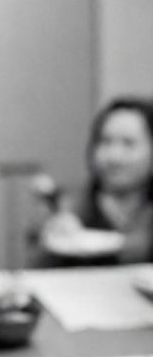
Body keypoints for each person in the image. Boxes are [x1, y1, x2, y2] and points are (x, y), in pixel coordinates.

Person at [32, 97, 153, 265]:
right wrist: (51, 243)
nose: (114, 156)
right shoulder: (71, 207)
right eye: (105, 142)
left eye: (128, 144)